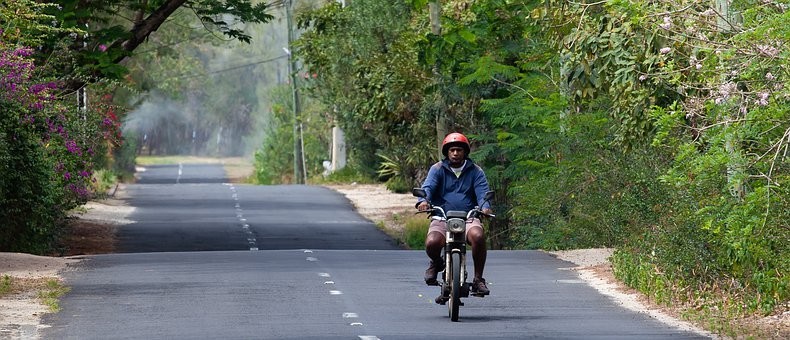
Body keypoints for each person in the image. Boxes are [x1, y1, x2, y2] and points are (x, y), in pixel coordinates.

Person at [416, 132, 493, 297]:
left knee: (478, 236)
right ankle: (437, 263)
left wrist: (485, 207)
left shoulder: (476, 171)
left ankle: (478, 279)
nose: (455, 153)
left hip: (469, 217)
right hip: (442, 217)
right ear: (447, 152)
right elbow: (428, 188)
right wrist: (423, 201)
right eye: (452, 150)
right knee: (432, 242)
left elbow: (482, 192)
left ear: (465, 152)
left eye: (459, 150)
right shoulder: (437, 169)